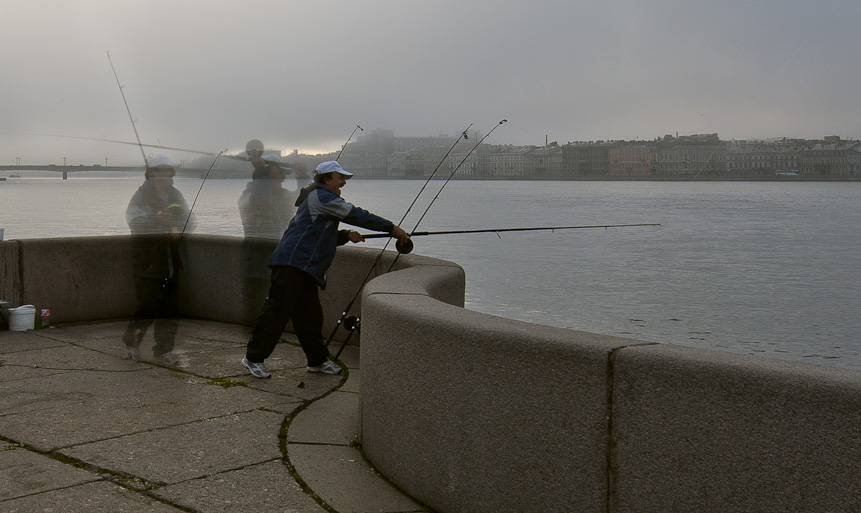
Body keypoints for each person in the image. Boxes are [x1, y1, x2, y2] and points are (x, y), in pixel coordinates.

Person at [241, 160, 409, 378]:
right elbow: (356, 214)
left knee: (310, 317)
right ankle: (253, 358)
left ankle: (317, 361)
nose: (343, 183)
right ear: (327, 179)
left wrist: (344, 235)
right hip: (292, 264)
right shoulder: (321, 196)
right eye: (340, 178)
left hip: (305, 267)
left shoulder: (318, 198)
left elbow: (315, 233)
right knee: (276, 313)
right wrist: (391, 228)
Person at [123, 154, 189, 365]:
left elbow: (187, 217)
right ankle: (131, 343)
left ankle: (164, 350)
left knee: (172, 308)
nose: (169, 173)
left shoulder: (176, 194)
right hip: (148, 260)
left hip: (172, 259)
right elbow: (133, 220)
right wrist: (155, 218)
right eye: (164, 169)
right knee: (148, 305)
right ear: (152, 173)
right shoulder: (141, 195)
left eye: (170, 169)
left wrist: (177, 226)